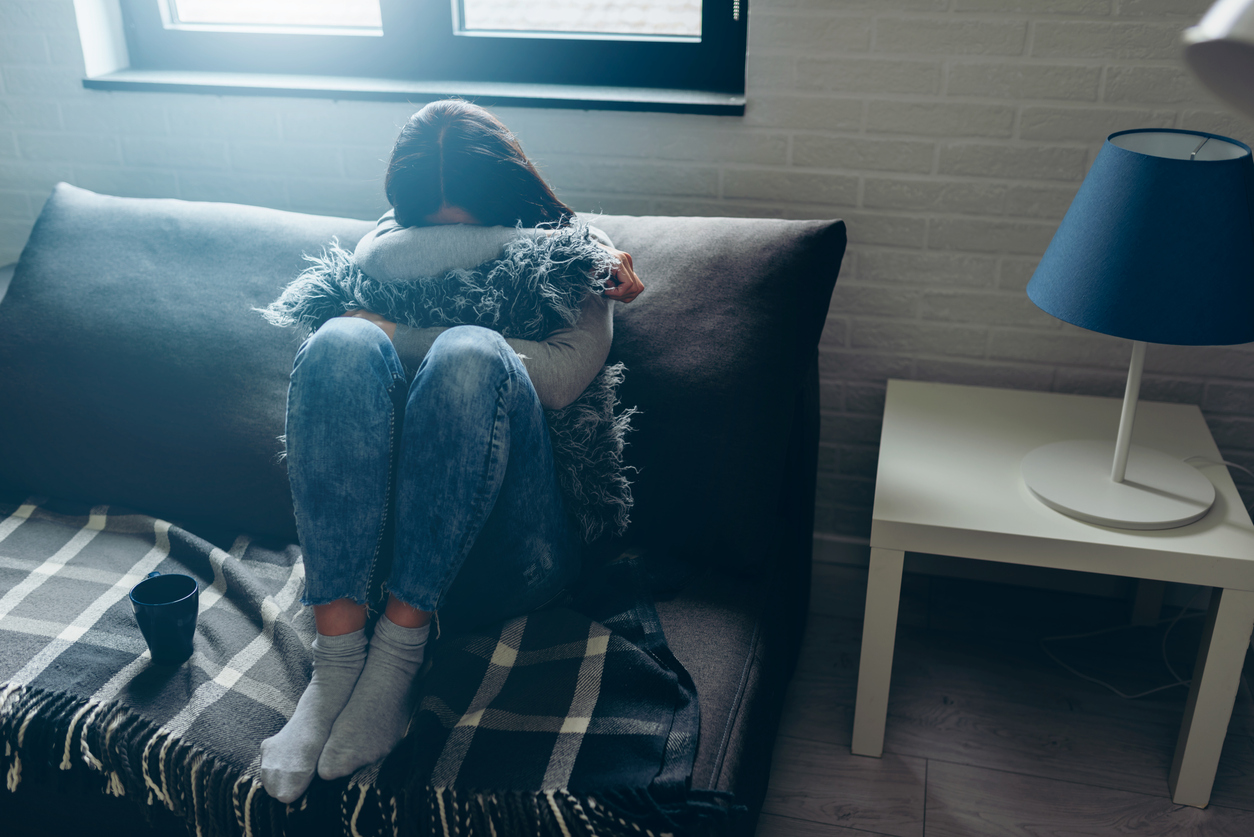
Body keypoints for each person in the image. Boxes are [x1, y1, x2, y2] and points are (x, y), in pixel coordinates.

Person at [259, 99, 643, 803]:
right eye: (426, 229)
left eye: (463, 230)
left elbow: (558, 379)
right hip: (392, 548)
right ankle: (338, 660)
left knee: (472, 351)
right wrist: (376, 322)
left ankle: (398, 660)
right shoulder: (382, 248)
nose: (439, 244)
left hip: (521, 549)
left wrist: (399, 327)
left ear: (508, 204)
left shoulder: (575, 256)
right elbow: (378, 263)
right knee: (340, 341)